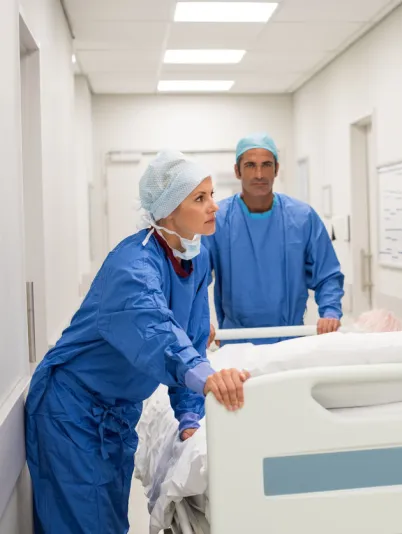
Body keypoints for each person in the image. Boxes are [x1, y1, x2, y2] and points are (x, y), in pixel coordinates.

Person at [25, 150, 250, 534]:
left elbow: (191, 337)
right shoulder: (133, 266)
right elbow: (156, 333)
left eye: (212, 194)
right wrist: (207, 377)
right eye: (200, 198)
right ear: (167, 211)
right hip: (73, 411)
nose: (215, 205)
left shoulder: (196, 258)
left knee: (108, 520)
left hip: (116, 413)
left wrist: (190, 415)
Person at [204, 132, 344, 346]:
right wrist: (199, 321)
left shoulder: (302, 217)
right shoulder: (218, 219)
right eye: (250, 165)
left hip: (290, 339)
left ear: (276, 169)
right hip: (236, 341)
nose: (259, 174)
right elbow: (194, 278)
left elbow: (327, 275)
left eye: (266, 165)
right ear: (237, 171)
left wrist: (330, 313)